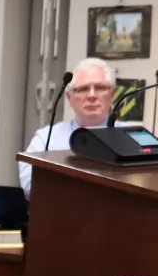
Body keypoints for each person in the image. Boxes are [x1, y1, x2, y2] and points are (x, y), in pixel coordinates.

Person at [20, 57, 122, 197]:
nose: (92, 95)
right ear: (69, 97)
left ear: (112, 94)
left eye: (100, 88)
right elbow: (29, 186)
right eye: (83, 89)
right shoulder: (46, 138)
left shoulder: (132, 136)